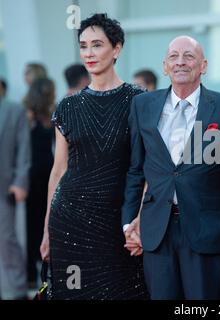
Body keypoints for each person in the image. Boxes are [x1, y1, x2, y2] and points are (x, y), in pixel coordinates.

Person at [122, 35, 220, 299]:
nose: (181, 62)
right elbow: (135, 169)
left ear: (203, 65)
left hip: (205, 229)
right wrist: (129, 223)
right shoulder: (142, 105)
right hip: (157, 231)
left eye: (189, 56)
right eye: (174, 57)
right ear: (165, 66)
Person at [39, 13, 148, 300]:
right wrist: (47, 230)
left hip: (118, 223)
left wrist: (139, 220)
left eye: (97, 45)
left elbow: (149, 166)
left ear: (117, 48)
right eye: (83, 45)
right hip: (69, 220)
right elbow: (58, 170)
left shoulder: (140, 100)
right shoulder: (68, 106)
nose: (89, 53)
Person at [23, 78, 56, 288]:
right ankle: (35, 271)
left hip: (41, 173)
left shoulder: (43, 115)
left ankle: (37, 271)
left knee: (38, 222)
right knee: (38, 222)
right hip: (40, 173)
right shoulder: (35, 116)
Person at [0, 89, 30, 300]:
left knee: (6, 239)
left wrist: (20, 181)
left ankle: (16, 290)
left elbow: (23, 149)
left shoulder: (14, 110)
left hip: (4, 185)